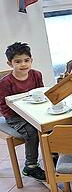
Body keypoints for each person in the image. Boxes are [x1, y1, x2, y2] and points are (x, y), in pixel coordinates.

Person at [0, 42, 45, 180]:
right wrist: (23, 115)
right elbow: (3, 106)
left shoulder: (36, 75)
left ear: (31, 60)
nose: (23, 64)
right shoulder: (5, 83)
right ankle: (30, 166)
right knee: (32, 132)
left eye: (26, 60)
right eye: (18, 61)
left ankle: (53, 156)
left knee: (50, 126)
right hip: (14, 116)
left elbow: (41, 93)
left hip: (35, 112)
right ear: (10, 64)